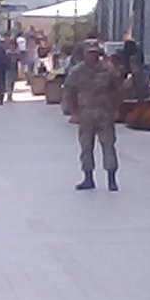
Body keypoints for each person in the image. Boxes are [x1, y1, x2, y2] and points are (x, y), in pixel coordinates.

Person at [62, 38, 126, 191]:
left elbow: (118, 90)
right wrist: (73, 112)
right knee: (86, 147)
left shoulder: (108, 70)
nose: (92, 56)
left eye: (95, 53)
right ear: (84, 54)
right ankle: (88, 178)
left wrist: (116, 109)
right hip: (85, 114)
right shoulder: (77, 71)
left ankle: (111, 179)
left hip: (105, 114)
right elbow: (69, 92)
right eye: (89, 53)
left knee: (108, 146)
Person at [0, 34, 17, 104]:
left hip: (0, 67)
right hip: (3, 66)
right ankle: (1, 98)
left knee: (0, 82)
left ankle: (1, 98)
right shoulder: (0, 46)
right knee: (1, 82)